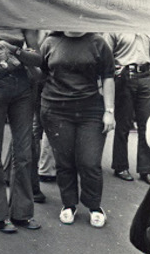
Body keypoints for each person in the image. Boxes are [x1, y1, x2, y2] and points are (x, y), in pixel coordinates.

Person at [40, 31, 115, 228]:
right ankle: (69, 204)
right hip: (56, 109)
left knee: (89, 162)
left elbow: (108, 76)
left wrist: (109, 111)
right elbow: (42, 75)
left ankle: (94, 206)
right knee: (64, 161)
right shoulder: (50, 42)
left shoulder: (98, 42)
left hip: (90, 110)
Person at [0, 27, 42, 233]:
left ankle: (22, 212)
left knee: (23, 152)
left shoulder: (21, 16)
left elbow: (39, 59)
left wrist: (14, 49)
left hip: (21, 88)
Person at [103, 32, 150, 184]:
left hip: (145, 77)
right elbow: (105, 54)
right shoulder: (115, 28)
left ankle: (145, 169)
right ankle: (120, 166)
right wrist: (115, 70)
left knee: (146, 124)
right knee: (124, 124)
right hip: (125, 77)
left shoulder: (146, 28)